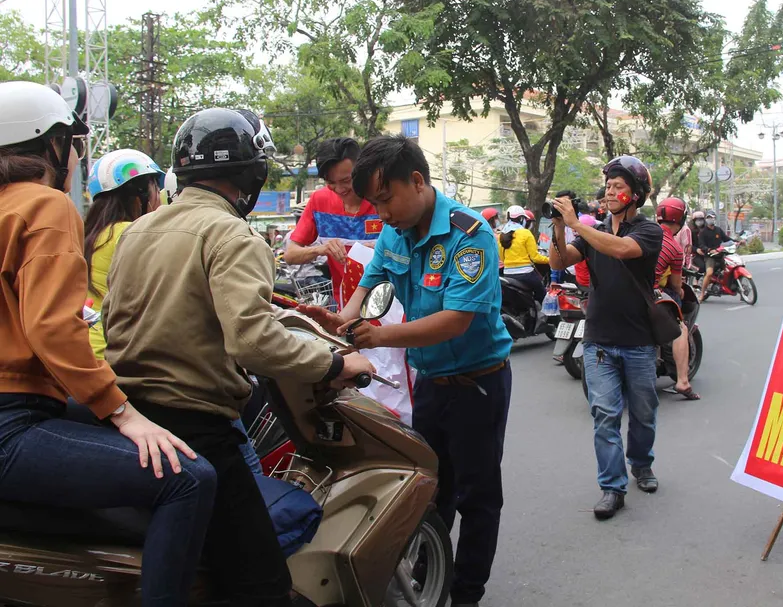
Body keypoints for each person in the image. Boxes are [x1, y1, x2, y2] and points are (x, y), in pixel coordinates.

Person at [102, 107, 375, 607]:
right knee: (261, 583)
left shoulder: (136, 233)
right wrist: (335, 363)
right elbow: (252, 341)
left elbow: (127, 315)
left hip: (130, 419)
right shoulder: (232, 234)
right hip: (197, 426)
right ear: (252, 172)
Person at [0, 80, 216, 606]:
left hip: (27, 401)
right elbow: (52, 327)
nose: (75, 155)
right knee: (190, 477)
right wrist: (120, 412)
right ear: (50, 145)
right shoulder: (44, 207)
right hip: (13, 419)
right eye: (71, 143)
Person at [297, 135, 512, 607]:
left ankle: (467, 594)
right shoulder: (395, 229)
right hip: (430, 383)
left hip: (478, 382)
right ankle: (427, 572)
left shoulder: (469, 234)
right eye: (374, 201)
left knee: (477, 494)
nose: (382, 210)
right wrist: (345, 315)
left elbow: (456, 320)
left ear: (416, 180)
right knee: (431, 487)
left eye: (385, 197)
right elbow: (373, 278)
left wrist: (378, 336)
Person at [548, 155, 665, 520]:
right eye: (609, 187)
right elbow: (558, 262)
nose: (610, 192)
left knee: (644, 413)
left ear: (636, 194)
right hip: (598, 339)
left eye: (618, 187)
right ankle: (612, 487)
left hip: (639, 341)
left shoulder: (648, 231)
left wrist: (576, 224)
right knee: (605, 414)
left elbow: (619, 250)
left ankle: (641, 464)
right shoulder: (593, 231)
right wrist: (558, 226)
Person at [84, 148, 164, 359]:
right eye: (155, 188)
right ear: (140, 195)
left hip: (86, 349)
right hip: (114, 355)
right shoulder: (132, 235)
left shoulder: (90, 235)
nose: (159, 197)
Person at [284, 137, 383, 307]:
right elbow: (291, 255)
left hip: (389, 303)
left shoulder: (382, 197)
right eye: (331, 183)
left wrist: (380, 248)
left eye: (346, 181)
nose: (339, 189)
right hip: (345, 306)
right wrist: (322, 249)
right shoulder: (319, 201)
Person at [655, 198, 700, 401]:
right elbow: (675, 284)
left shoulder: (640, 233)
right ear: (680, 219)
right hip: (651, 293)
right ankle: (682, 381)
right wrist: (680, 290)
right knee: (680, 327)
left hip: (621, 290)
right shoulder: (674, 247)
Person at [499, 204, 549, 303]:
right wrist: (550, 260)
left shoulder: (502, 235)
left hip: (507, 274)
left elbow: (502, 258)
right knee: (544, 297)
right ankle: (551, 317)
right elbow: (535, 258)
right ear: (522, 219)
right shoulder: (526, 233)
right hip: (526, 275)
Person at [697, 209, 734, 302]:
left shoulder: (718, 230)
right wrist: (709, 250)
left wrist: (737, 242)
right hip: (710, 256)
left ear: (715, 219)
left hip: (720, 254)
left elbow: (727, 239)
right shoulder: (703, 232)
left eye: (712, 218)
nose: (711, 219)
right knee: (709, 273)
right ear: (706, 219)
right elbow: (701, 245)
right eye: (709, 218)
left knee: (731, 269)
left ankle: (737, 290)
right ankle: (702, 294)